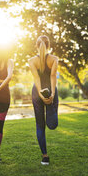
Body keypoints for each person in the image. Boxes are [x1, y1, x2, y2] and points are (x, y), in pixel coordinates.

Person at [28, 35, 58, 165]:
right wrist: (51, 94)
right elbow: (53, 77)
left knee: (40, 125)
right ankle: (51, 114)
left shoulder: (31, 61)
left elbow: (36, 79)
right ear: (49, 45)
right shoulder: (54, 59)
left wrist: (40, 95)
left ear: (36, 45)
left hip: (36, 92)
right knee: (52, 124)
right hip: (50, 91)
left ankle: (45, 156)